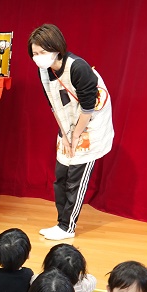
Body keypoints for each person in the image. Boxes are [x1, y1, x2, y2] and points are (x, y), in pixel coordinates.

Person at [28, 24, 114, 242]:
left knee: (76, 178)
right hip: (67, 122)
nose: (38, 58)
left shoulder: (78, 68)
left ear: (56, 48)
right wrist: (66, 135)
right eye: (35, 54)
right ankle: (60, 223)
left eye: (43, 52)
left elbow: (88, 107)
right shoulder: (44, 72)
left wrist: (76, 135)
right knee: (61, 176)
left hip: (90, 124)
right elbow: (53, 105)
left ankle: (68, 226)